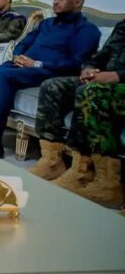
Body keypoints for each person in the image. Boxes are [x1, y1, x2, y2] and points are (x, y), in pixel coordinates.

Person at [0, 0, 101, 158]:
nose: (55, 2)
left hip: (49, 72)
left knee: (3, 74)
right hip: (23, 67)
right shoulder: (46, 24)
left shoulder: (87, 30)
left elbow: (75, 63)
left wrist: (36, 64)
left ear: (77, 2)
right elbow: (24, 43)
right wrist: (17, 57)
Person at [30, 19, 124, 207]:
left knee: (90, 92)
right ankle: (54, 162)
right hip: (104, 80)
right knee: (52, 86)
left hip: (119, 83)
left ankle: (107, 183)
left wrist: (117, 76)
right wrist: (88, 68)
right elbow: (101, 55)